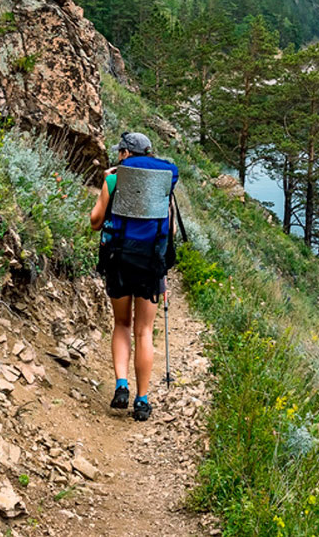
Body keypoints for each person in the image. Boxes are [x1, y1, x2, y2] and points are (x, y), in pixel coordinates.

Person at [90, 132, 178, 421]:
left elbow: (95, 222)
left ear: (126, 154)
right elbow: (172, 231)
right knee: (144, 331)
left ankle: (121, 385)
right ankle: (142, 400)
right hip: (151, 264)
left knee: (121, 323)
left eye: (120, 153)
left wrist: (108, 182)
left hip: (118, 261)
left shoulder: (114, 179)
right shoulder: (163, 184)